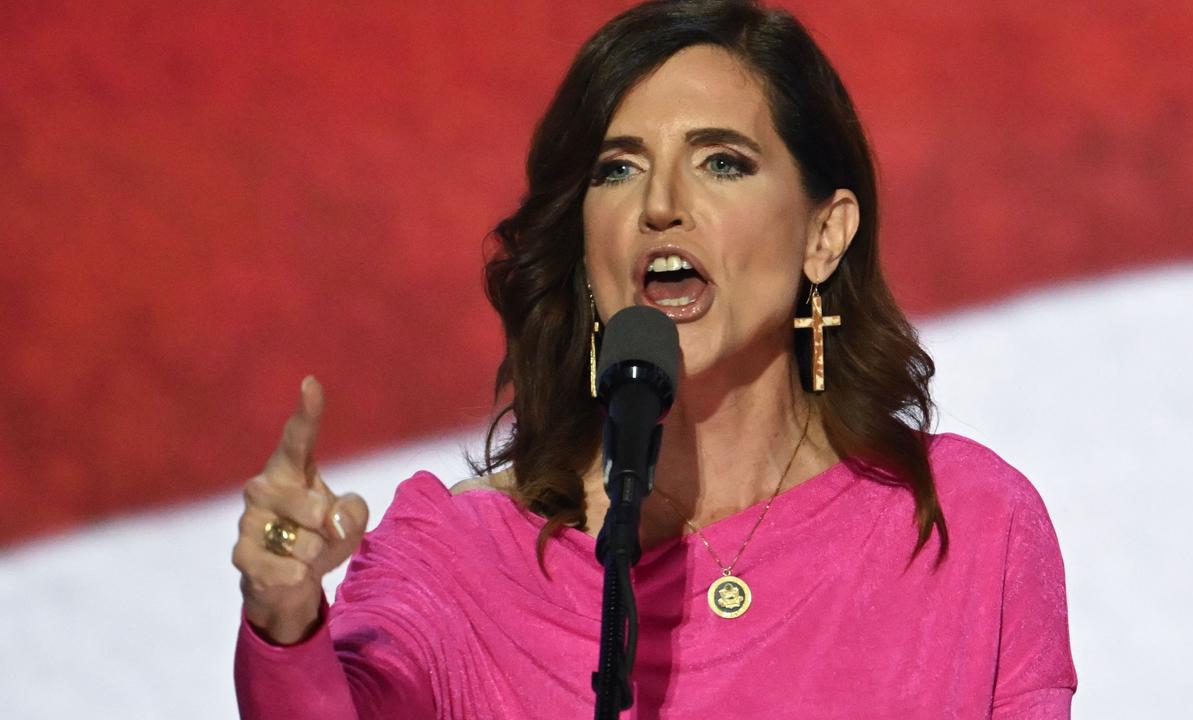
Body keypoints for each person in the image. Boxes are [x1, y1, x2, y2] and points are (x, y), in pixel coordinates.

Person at [231, 1, 1077, 717]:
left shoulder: (965, 528)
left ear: (825, 235)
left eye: (721, 162)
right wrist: (284, 616)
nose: (662, 205)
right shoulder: (459, 563)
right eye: (618, 168)